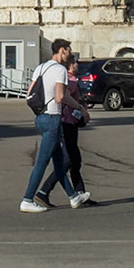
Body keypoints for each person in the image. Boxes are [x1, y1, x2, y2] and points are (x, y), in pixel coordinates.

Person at [20, 38, 90, 211]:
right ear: (62, 50)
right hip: (52, 118)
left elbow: (29, 93)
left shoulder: (41, 67)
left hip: (40, 117)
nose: (70, 54)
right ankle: (27, 199)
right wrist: (79, 107)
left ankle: (73, 197)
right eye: (69, 50)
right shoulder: (60, 70)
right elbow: (60, 97)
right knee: (42, 162)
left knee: (59, 162)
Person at [40, 49, 91, 205]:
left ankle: (80, 193)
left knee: (75, 159)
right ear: (70, 65)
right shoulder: (70, 81)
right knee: (69, 160)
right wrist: (80, 108)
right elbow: (62, 97)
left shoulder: (70, 79)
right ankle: (44, 191)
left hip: (68, 122)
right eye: (75, 62)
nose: (77, 65)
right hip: (66, 123)